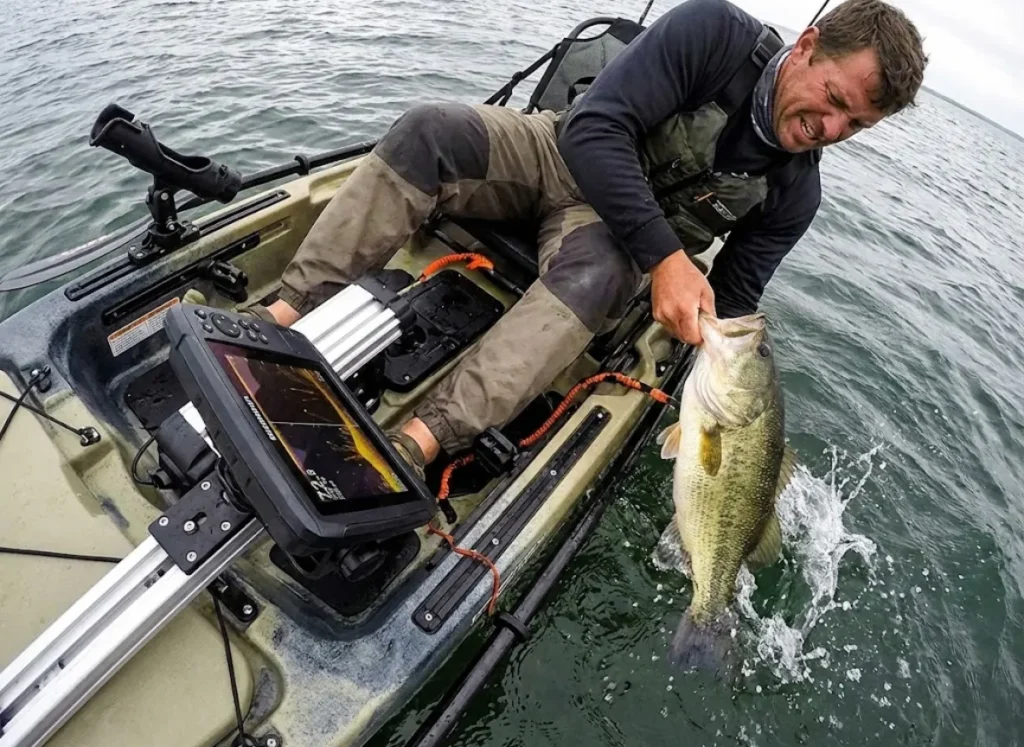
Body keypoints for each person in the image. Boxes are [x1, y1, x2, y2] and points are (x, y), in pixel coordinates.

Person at [249, 0, 926, 477]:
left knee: (598, 273)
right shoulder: (714, 31)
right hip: (558, 151)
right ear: (806, 48)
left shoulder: (795, 193)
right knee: (429, 130)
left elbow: (735, 299)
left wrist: (720, 415)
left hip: (610, 240)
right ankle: (275, 318)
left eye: (856, 125)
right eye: (835, 100)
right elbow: (592, 128)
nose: (833, 129)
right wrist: (668, 258)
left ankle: (416, 442)